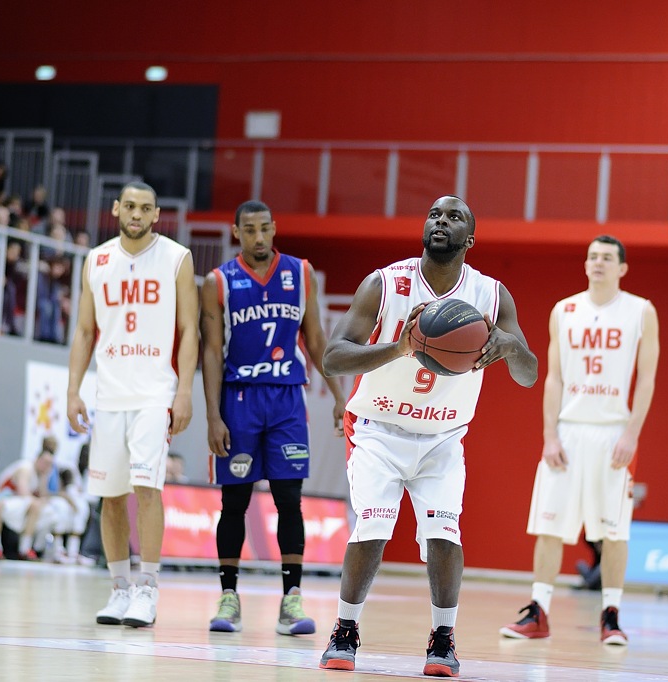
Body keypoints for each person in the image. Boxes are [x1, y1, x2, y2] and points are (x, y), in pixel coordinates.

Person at [317, 195, 538, 675]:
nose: (441, 221)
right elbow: (333, 356)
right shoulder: (385, 283)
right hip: (377, 429)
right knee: (373, 525)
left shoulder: (492, 295)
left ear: (470, 238)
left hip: (442, 436)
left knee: (444, 531)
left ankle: (443, 638)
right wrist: (398, 347)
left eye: (454, 216)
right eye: (435, 214)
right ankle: (345, 629)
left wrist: (508, 347)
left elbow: (529, 374)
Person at [500, 235, 659, 647]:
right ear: (585, 264)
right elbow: (553, 377)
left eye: (607, 258)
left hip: (613, 433)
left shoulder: (641, 311)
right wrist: (549, 434)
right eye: (592, 257)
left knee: (614, 531)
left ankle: (612, 615)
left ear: (622, 268)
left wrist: (632, 433)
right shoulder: (564, 310)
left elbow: (646, 380)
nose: (598, 263)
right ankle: (538, 612)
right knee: (548, 525)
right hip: (568, 430)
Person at [201, 200, 346, 636]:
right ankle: (229, 597)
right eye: (250, 230)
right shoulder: (218, 282)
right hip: (239, 399)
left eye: (265, 229)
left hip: (286, 400)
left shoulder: (300, 273)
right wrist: (212, 415)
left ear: (274, 227)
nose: (259, 238)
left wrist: (339, 394)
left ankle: (291, 599)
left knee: (289, 498)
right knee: (235, 501)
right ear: (236, 232)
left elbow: (317, 339)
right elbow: (211, 350)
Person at [67, 180, 198, 629]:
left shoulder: (177, 258)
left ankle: (148, 588)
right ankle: (120, 588)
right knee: (109, 495)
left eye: (146, 208)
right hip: (109, 392)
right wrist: (73, 391)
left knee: (147, 489)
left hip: (154, 392)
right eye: (130, 207)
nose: (137, 214)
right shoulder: (96, 260)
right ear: (117, 208)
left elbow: (189, 329)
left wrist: (183, 391)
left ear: (157, 214)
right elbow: (85, 332)